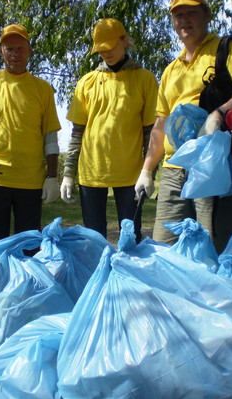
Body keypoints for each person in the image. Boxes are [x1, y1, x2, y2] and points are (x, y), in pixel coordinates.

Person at [136, 0, 232, 253]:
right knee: (164, 249)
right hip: (174, 170)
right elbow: (160, 125)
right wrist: (147, 171)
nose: (184, 20)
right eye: (178, 15)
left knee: (216, 248)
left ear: (206, 15)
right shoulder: (171, 70)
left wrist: (218, 114)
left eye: (191, 13)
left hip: (215, 166)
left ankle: (223, 295)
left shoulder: (227, 48)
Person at [60, 18, 158, 243]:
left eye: (110, 47)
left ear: (124, 41)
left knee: (130, 239)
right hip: (91, 172)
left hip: (131, 175)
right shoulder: (87, 82)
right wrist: (68, 174)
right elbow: (77, 132)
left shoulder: (144, 79)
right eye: (100, 50)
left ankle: (129, 277)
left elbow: (150, 132)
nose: (106, 53)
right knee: (94, 241)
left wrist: (149, 171)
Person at [0, 24, 61, 245]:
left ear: (29, 50)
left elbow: (50, 138)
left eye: (20, 48)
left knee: (29, 249)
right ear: (1, 51)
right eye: (9, 48)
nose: (15, 54)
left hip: (31, 182)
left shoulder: (43, 89)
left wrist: (52, 177)